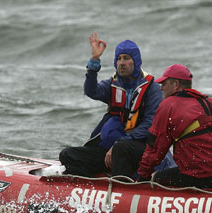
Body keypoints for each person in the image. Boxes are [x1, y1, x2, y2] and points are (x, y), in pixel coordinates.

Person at [52, 32, 164, 178]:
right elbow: (91, 91)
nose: (121, 63)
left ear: (135, 62)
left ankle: (121, 188)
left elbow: (150, 125)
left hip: (140, 149)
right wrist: (94, 61)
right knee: (67, 154)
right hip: (113, 150)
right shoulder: (112, 84)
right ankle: (93, 185)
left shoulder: (152, 88)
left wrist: (120, 143)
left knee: (121, 148)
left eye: (126, 58)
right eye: (118, 59)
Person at [137, 64, 212, 189]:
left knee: (156, 178)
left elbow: (156, 147)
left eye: (164, 84)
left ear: (176, 84)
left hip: (196, 176)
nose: (161, 88)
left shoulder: (167, 106)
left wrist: (143, 176)